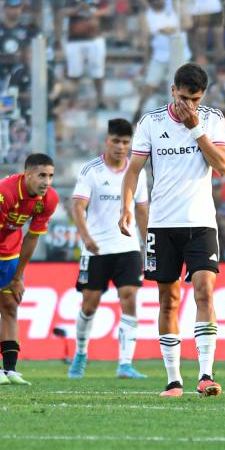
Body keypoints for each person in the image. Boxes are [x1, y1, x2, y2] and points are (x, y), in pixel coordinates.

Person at [119, 63, 225, 398]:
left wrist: (196, 128)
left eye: (195, 99)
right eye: (183, 98)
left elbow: (223, 167)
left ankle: (206, 375)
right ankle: (173, 380)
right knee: (168, 300)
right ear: (172, 90)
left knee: (204, 292)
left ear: (203, 96)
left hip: (200, 222)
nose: (188, 105)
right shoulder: (151, 122)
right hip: (163, 223)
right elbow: (134, 170)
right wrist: (125, 205)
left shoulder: (212, 119)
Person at [0, 153, 58, 385]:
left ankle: (10, 370)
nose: (47, 181)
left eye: (51, 176)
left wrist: (17, 277)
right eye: (42, 175)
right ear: (27, 175)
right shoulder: (4, 193)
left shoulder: (49, 199)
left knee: (10, 307)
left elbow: (32, 238)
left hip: (11, 248)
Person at [68, 119, 149, 379]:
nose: (121, 146)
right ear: (107, 141)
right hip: (97, 248)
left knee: (129, 298)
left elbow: (142, 208)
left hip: (127, 246)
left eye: (126, 142)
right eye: (116, 141)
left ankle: (125, 363)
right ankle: (80, 355)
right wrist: (86, 236)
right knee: (89, 304)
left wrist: (147, 243)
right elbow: (78, 207)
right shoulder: (91, 170)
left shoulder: (137, 172)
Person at [61, 0, 109, 109]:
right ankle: (72, 100)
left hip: (95, 38)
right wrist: (78, 9)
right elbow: (62, 12)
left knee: (98, 72)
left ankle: (100, 100)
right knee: (74, 73)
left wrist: (93, 12)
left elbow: (108, 10)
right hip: (75, 39)